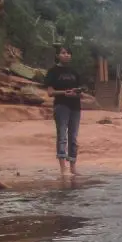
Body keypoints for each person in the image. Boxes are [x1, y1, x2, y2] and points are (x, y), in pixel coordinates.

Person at [43, 45, 83, 176]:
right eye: (63, 53)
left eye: (68, 53)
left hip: (75, 106)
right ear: (58, 55)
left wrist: (76, 93)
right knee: (62, 136)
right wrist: (64, 93)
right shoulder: (53, 72)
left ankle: (73, 167)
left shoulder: (75, 72)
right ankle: (63, 169)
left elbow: (80, 91)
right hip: (61, 106)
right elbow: (50, 92)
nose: (66, 55)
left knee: (74, 137)